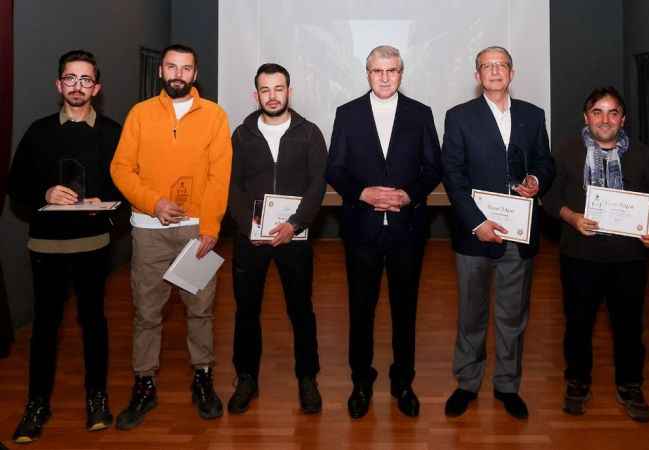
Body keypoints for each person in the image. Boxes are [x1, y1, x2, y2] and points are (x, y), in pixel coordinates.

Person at [110, 44, 232, 429]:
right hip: (149, 233)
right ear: (161, 71)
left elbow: (219, 176)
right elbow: (121, 168)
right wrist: (153, 203)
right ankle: (144, 385)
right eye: (172, 67)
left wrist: (211, 227)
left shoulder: (214, 116)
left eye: (186, 68)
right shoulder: (140, 114)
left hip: (197, 232)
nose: (178, 74)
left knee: (200, 310)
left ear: (195, 74)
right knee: (147, 313)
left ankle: (203, 379)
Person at [7, 50, 121, 443]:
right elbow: (16, 187)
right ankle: (37, 403)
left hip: (93, 244)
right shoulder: (37, 132)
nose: (78, 86)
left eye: (86, 79)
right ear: (59, 85)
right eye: (70, 79)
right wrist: (45, 191)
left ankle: (97, 398)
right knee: (44, 329)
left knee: (94, 325)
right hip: (47, 247)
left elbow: (125, 182)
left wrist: (100, 199)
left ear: (97, 87)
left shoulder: (112, 131)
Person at [326, 45, 442, 419]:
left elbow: (433, 168)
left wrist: (410, 194)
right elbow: (335, 169)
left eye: (392, 70)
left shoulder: (420, 114)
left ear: (402, 73)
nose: (385, 77)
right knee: (361, 310)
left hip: (408, 230)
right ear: (367, 73)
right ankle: (361, 381)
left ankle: (402, 382)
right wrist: (362, 193)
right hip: (361, 229)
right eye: (378, 71)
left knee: (405, 310)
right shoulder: (347, 114)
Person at [441, 46, 555, 419]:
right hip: (475, 233)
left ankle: (507, 384)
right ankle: (467, 382)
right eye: (486, 66)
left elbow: (544, 162)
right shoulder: (458, 118)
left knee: (512, 313)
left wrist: (537, 179)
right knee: (471, 313)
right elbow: (453, 177)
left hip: (519, 233)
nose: (494, 71)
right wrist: (478, 223)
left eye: (500, 65)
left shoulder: (532, 116)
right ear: (477, 76)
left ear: (511, 72)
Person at [544, 87, 649, 422]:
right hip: (580, 255)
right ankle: (577, 382)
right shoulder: (566, 152)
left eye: (613, 113)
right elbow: (550, 201)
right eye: (598, 112)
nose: (605, 119)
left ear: (623, 119)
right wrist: (573, 218)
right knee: (578, 323)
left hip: (629, 257)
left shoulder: (642, 154)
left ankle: (630, 385)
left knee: (628, 326)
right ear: (587, 117)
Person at [226, 63, 327, 415]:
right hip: (249, 239)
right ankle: (246, 378)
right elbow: (232, 185)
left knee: (301, 309)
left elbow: (317, 185)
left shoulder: (310, 133)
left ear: (289, 91)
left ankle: (307, 378)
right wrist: (247, 225)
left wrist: (295, 225)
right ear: (256, 95)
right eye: (265, 90)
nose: (273, 96)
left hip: (293, 237)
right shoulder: (241, 135)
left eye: (279, 88)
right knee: (247, 311)